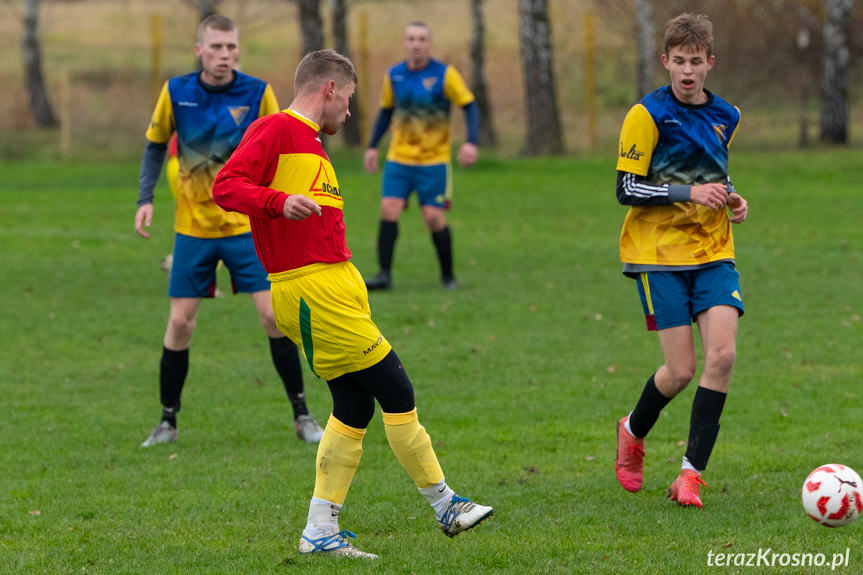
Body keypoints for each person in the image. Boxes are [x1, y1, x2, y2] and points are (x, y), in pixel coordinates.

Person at [213, 49, 493, 559]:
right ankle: (444, 503)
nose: (348, 111)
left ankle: (320, 529)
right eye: (348, 100)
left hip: (334, 286)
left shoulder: (310, 143)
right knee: (396, 388)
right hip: (313, 291)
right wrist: (277, 202)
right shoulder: (277, 128)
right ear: (329, 89)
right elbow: (226, 185)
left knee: (353, 405)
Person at [134, 15, 324, 447]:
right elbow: (154, 145)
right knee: (180, 323)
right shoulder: (176, 92)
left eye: (232, 47)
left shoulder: (257, 93)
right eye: (217, 47)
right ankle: (167, 422)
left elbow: (286, 144)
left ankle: (303, 416)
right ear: (199, 49)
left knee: (274, 317)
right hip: (193, 228)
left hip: (247, 227)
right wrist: (146, 199)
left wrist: (290, 201)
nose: (225, 55)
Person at [612, 13, 749, 508]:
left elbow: (714, 174)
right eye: (679, 61)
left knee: (724, 356)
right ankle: (632, 430)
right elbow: (627, 187)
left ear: (710, 63)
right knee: (679, 371)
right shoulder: (646, 116)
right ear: (665, 61)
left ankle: (690, 475)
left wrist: (732, 198)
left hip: (714, 253)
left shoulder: (727, 115)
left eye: (696, 61)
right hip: (657, 256)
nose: (687, 70)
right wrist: (690, 191)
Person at [363, 21, 479, 291]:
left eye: (422, 39)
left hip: (433, 161)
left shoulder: (445, 75)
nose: (416, 44)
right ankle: (384, 275)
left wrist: (471, 142)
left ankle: (448, 276)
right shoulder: (394, 75)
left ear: (429, 44)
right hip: (399, 159)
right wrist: (371, 146)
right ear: (404, 43)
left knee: (433, 216)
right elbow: (386, 113)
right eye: (412, 39)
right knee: (388, 209)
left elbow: (470, 106)